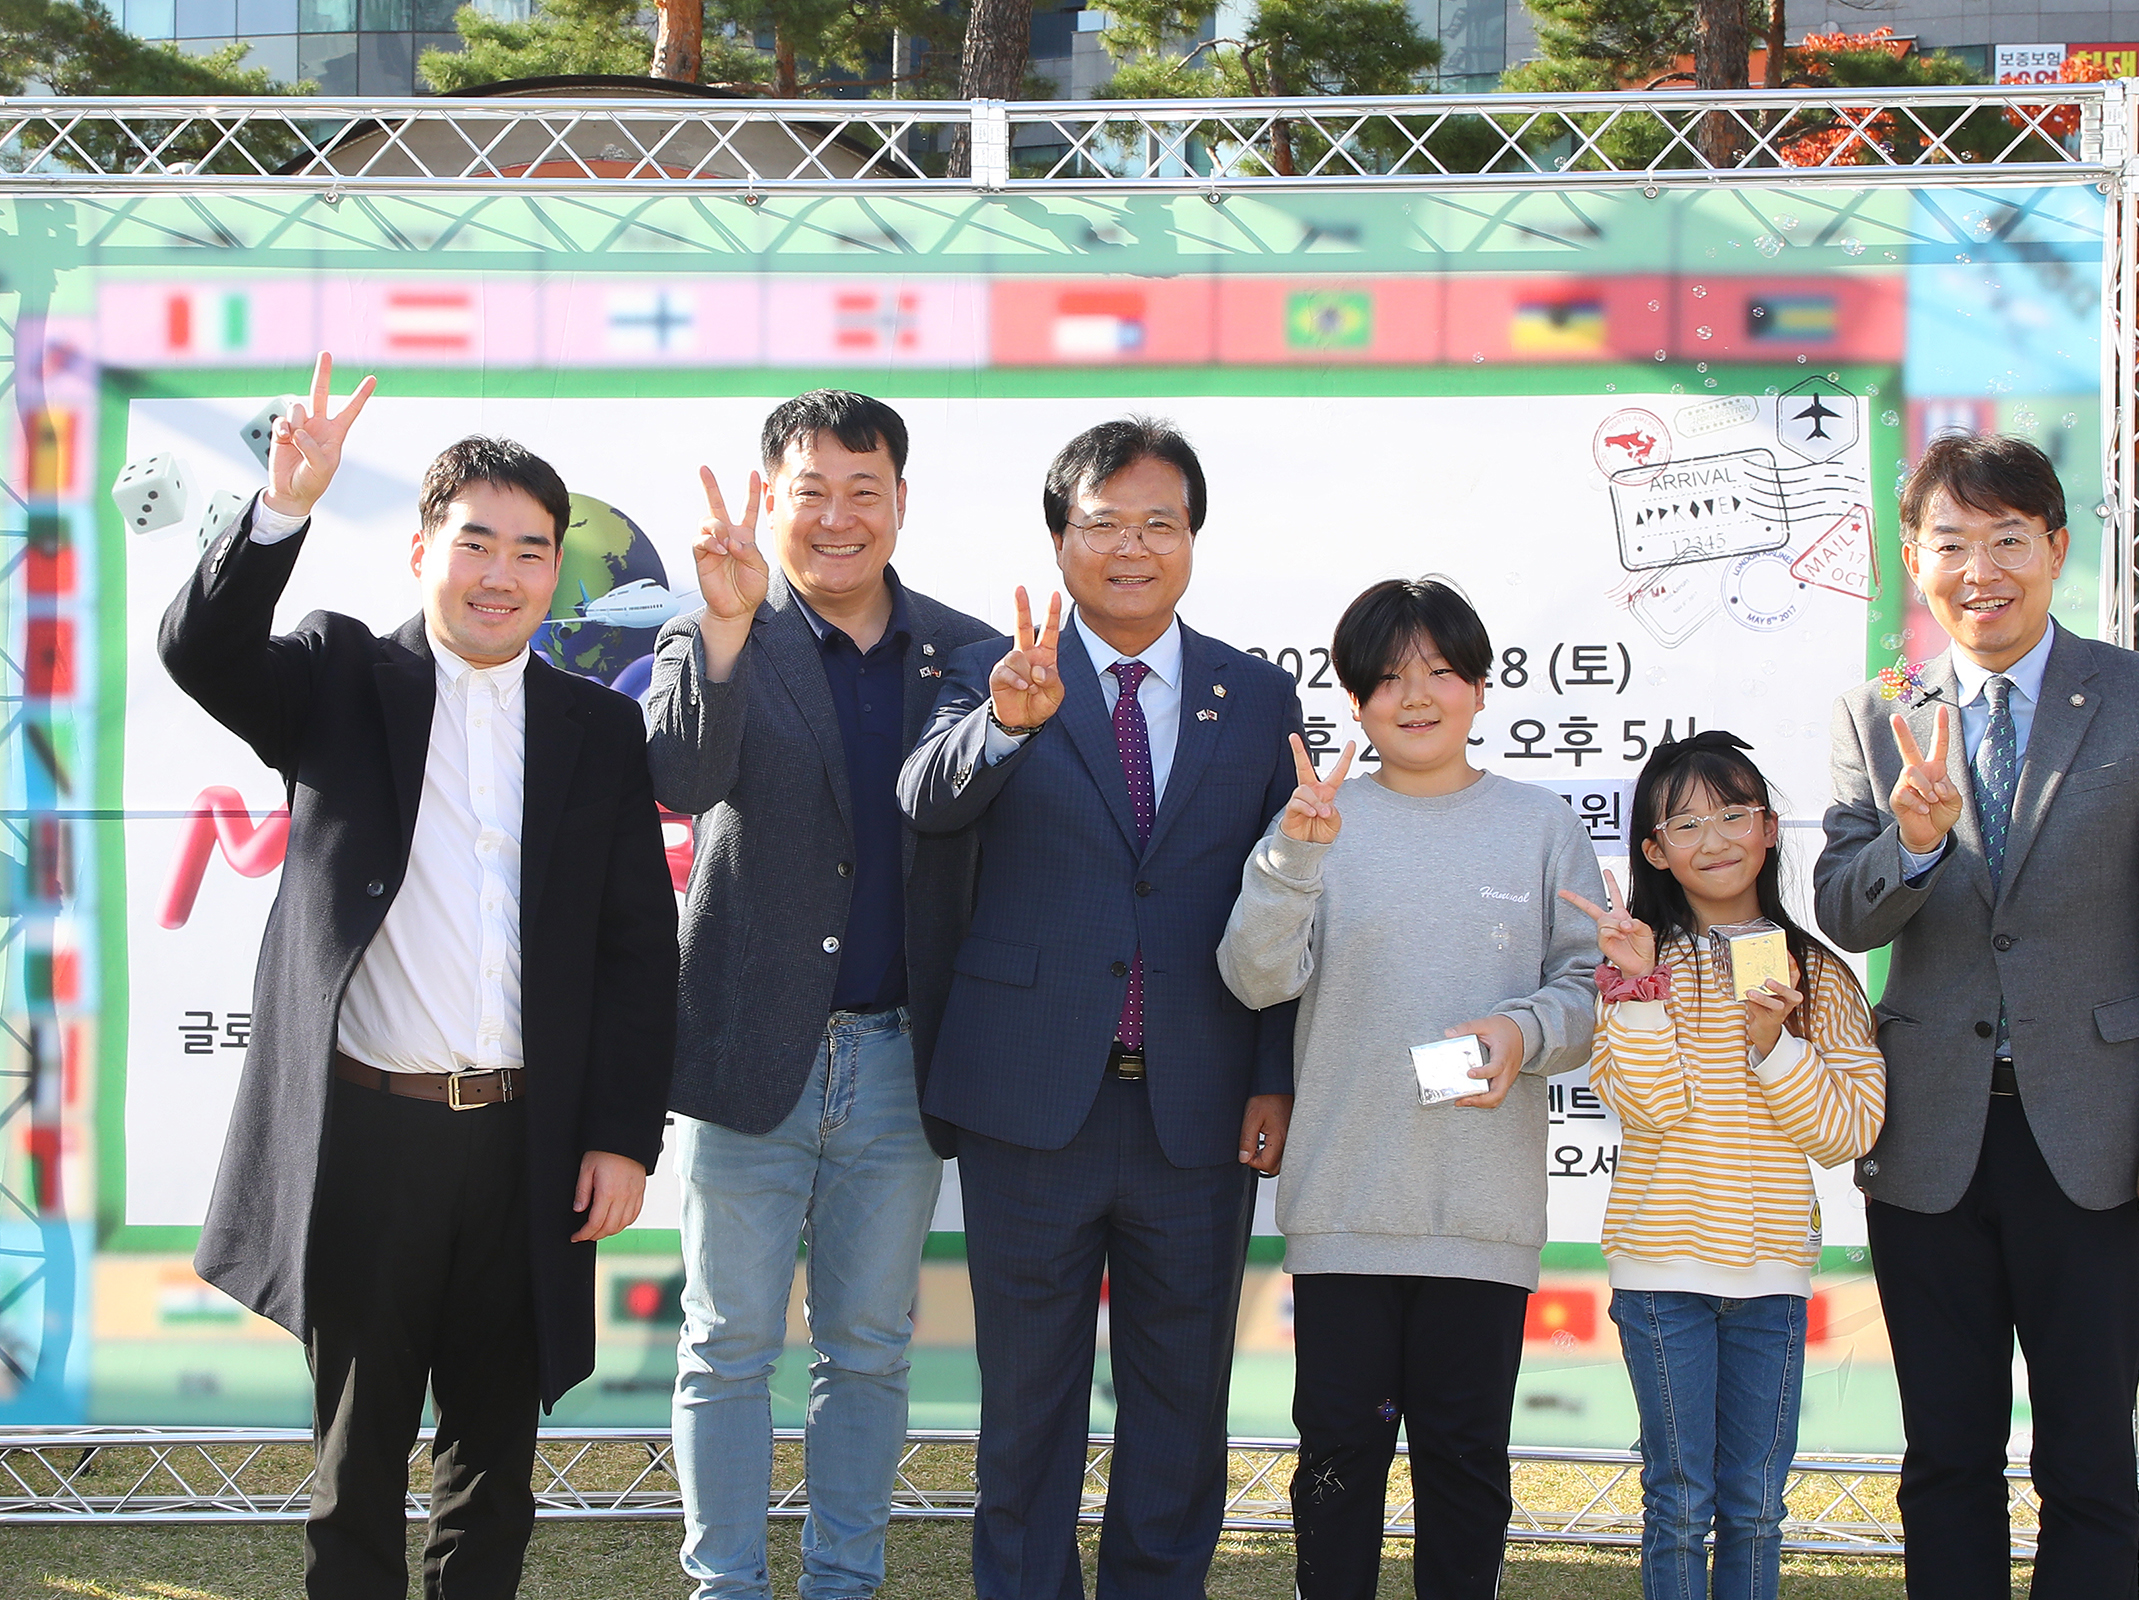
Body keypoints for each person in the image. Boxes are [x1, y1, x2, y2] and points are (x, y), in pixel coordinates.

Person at [157, 353, 679, 1598]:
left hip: (527, 1141)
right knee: (359, 1454)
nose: (502, 573)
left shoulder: (598, 727)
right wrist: (281, 509)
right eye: (475, 542)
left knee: (494, 1462)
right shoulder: (340, 676)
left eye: (532, 550)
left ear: (555, 572)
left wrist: (623, 1136)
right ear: (421, 551)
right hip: (368, 1137)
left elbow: (635, 949)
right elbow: (202, 651)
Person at [1815, 433, 2139, 1597]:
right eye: (1951, 543)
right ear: (1916, 560)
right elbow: (1844, 911)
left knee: (2088, 1460)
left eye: (2007, 539)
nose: (1980, 570)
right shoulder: (1877, 713)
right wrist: (1912, 841)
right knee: (1945, 1455)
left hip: (2096, 1138)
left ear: (2055, 548)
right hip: (1930, 1141)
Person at [897, 417, 1302, 1600]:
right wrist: (1004, 725)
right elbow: (925, 800)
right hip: (1030, 1105)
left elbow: (1288, 897)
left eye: (1159, 523)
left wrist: (1272, 1070)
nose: (1133, 547)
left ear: (1193, 539)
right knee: (1028, 1406)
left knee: (1181, 1403)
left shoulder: (1255, 693)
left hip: (1198, 1107)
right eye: (1105, 524)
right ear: (1059, 540)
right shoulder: (994, 669)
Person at [646, 392, 1001, 1599]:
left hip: (900, 1058)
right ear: (770, 501)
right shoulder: (712, 629)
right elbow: (681, 775)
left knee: (868, 1350)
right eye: (812, 492)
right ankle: (727, 1586)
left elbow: (958, 798)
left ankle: (844, 1581)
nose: (838, 517)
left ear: (902, 501)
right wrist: (726, 627)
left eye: (865, 491)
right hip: (751, 1049)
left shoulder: (968, 652)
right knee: (727, 1343)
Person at [1214, 577, 1604, 1600]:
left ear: (1481, 686)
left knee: (1465, 1465)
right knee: (1337, 1461)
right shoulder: (1315, 822)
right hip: (1346, 1206)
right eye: (1387, 678)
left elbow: (1589, 990)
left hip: (1482, 1213)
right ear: (1353, 701)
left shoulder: (1541, 824)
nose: (1416, 696)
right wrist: (1293, 859)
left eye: (1439, 671)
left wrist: (1523, 1032)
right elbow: (1254, 977)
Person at [1566, 731, 1885, 1600]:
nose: (1713, 840)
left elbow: (1847, 1132)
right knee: (1678, 1499)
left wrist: (1775, 1045)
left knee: (1755, 1505)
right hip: (1660, 1272)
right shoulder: (1639, 966)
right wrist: (1637, 989)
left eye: (1734, 815)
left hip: (1772, 1276)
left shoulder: (1819, 973)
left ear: (1770, 829)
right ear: (1654, 850)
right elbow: (1649, 1109)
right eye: (1686, 823)